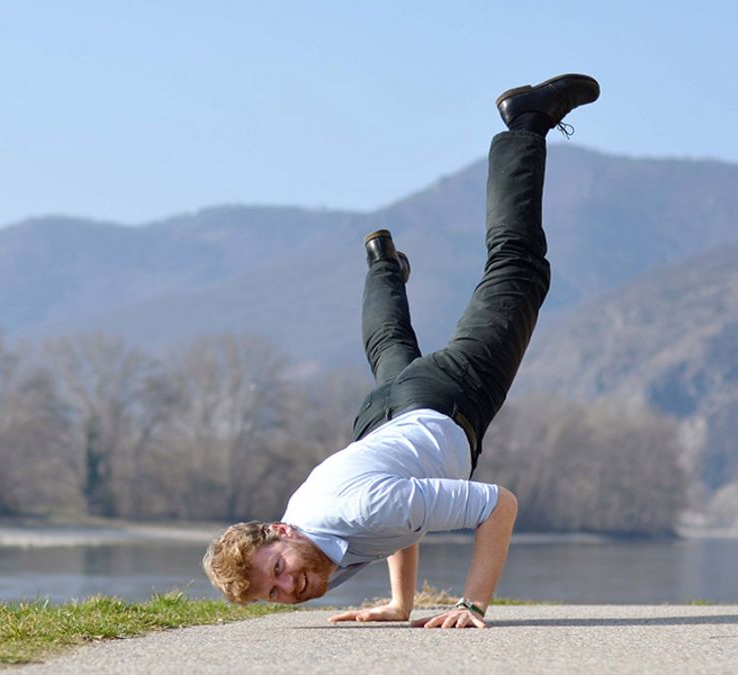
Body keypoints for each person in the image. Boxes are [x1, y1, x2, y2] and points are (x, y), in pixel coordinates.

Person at [203, 74, 600, 628]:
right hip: (382, 419)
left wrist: (471, 604)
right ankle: (382, 266)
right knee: (390, 345)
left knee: (518, 266)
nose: (290, 586)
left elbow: (497, 506)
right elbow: (400, 519)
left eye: (279, 568)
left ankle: (526, 123)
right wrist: (401, 604)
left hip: (445, 399)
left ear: (281, 533)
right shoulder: (316, 526)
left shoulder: (353, 511)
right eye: (275, 593)